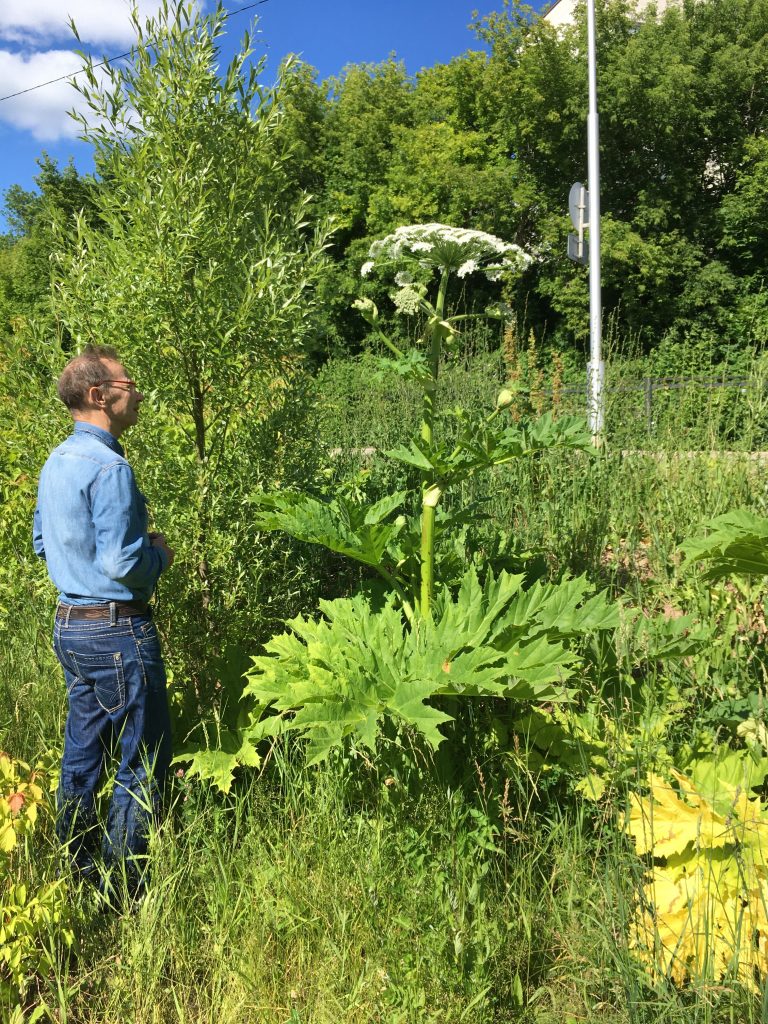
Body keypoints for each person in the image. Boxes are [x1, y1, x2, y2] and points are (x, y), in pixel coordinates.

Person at [33, 344, 174, 901]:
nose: (136, 392)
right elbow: (122, 563)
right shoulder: (111, 466)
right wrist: (158, 554)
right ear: (99, 395)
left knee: (83, 750)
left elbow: (44, 542)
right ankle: (125, 889)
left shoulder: (56, 461)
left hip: (69, 622)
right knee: (141, 757)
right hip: (117, 628)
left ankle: (76, 868)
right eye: (128, 383)